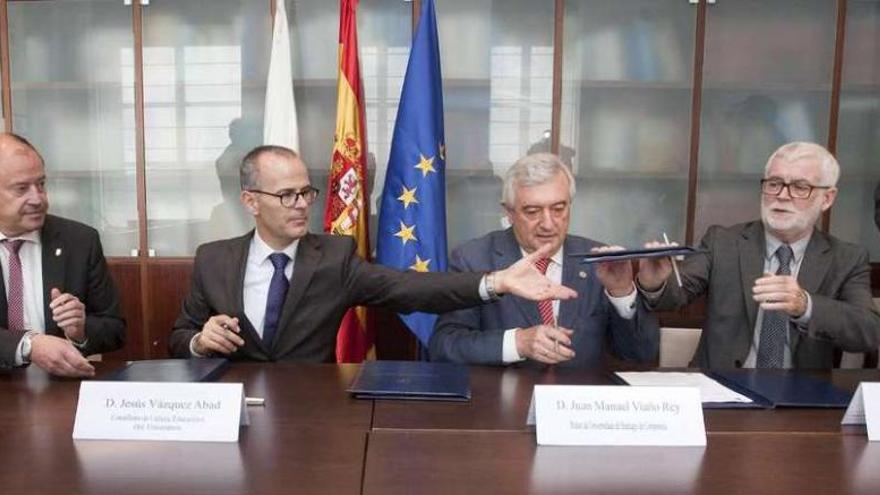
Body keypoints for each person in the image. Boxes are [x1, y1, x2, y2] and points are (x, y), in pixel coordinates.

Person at [168, 145, 576, 362]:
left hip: (310, 414)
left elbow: (412, 288)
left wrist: (496, 281)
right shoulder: (213, 260)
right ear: (250, 201)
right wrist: (200, 342)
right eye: (285, 194)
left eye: (306, 192)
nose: (301, 204)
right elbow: (179, 338)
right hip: (236, 412)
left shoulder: (332, 257)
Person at [638, 141, 880, 369]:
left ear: (827, 198)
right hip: (722, 389)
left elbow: (869, 332)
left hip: (802, 396)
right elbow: (675, 294)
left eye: (799, 187)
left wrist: (805, 305)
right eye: (774, 183)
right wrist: (654, 283)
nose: (782, 195)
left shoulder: (846, 258)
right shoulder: (723, 242)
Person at [430, 153, 659, 368]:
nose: (548, 224)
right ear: (509, 212)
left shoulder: (598, 260)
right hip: (503, 404)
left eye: (558, 209)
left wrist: (621, 293)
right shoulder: (474, 259)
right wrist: (517, 342)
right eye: (532, 211)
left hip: (578, 404)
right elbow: (444, 347)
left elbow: (641, 354)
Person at [0, 133, 125, 376]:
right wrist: (28, 345)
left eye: (41, 184)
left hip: (60, 389)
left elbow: (115, 329)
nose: (37, 198)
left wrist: (80, 330)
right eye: (21, 189)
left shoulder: (79, 241)